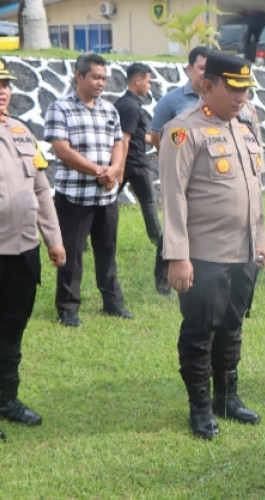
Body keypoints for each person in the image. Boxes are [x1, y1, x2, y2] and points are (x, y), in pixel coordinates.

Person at [159, 53, 265, 439]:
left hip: (243, 253)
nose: (241, 97)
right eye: (233, 88)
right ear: (208, 86)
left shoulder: (244, 127)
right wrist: (178, 256)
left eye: (245, 89)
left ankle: (228, 397)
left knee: (233, 327)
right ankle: (201, 407)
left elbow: (254, 190)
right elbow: (172, 197)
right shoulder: (183, 130)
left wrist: (261, 239)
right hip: (203, 256)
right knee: (200, 330)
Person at [0, 58, 66, 440]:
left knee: (12, 330)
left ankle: (7, 399)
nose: (3, 90)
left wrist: (54, 240)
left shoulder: (23, 132)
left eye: (6, 84)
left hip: (23, 251)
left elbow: (41, 190)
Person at [44, 54, 132, 327]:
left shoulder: (109, 110)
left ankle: (112, 302)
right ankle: (68, 307)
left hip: (106, 196)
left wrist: (115, 169)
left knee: (107, 249)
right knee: (71, 252)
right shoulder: (60, 109)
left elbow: (118, 143)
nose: (101, 83)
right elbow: (62, 150)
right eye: (95, 77)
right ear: (79, 76)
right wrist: (99, 171)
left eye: (104, 78)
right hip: (74, 197)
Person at [114, 63, 168, 296]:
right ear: (137, 81)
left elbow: (134, 134)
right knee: (148, 204)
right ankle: (159, 242)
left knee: (106, 202)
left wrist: (158, 140)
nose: (149, 85)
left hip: (129, 163)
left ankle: (86, 236)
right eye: (148, 81)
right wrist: (119, 167)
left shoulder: (123, 104)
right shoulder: (132, 107)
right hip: (134, 164)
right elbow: (124, 139)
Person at [150, 46, 209, 151]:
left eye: (210, 69)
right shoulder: (170, 101)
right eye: (202, 68)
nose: (206, 73)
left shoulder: (219, 99)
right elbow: (156, 137)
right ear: (190, 69)